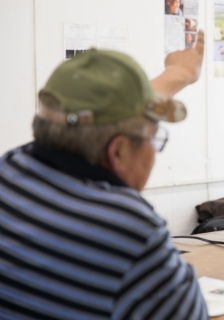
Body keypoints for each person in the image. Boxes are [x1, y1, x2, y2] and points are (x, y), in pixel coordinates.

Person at [0, 32, 208, 319]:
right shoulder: (128, 230)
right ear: (119, 152)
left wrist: (178, 74)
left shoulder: (9, 168)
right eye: (153, 137)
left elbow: (103, 111)